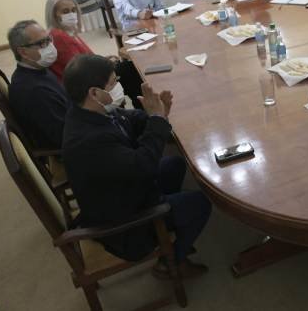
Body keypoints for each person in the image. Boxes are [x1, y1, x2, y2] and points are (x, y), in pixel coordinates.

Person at [62, 54, 211, 278]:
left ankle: (169, 219)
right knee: (200, 203)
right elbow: (144, 165)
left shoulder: (87, 111)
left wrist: (155, 113)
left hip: (123, 188)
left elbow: (127, 119)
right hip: (124, 223)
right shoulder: (89, 141)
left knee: (176, 164)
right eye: (113, 83)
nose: (118, 87)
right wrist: (158, 120)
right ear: (94, 93)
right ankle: (170, 262)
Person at [45, 0, 144, 108]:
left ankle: (139, 107)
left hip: (89, 74)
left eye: (73, 10)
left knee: (128, 68)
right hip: (84, 84)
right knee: (130, 71)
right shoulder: (59, 36)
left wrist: (103, 60)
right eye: (65, 11)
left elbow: (86, 58)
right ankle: (141, 107)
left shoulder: (68, 31)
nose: (71, 14)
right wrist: (105, 65)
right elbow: (79, 70)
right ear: (53, 15)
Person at [6, 20, 69, 149]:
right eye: (42, 43)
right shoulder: (34, 91)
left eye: (49, 39)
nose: (50, 46)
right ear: (23, 52)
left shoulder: (38, 69)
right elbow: (63, 136)